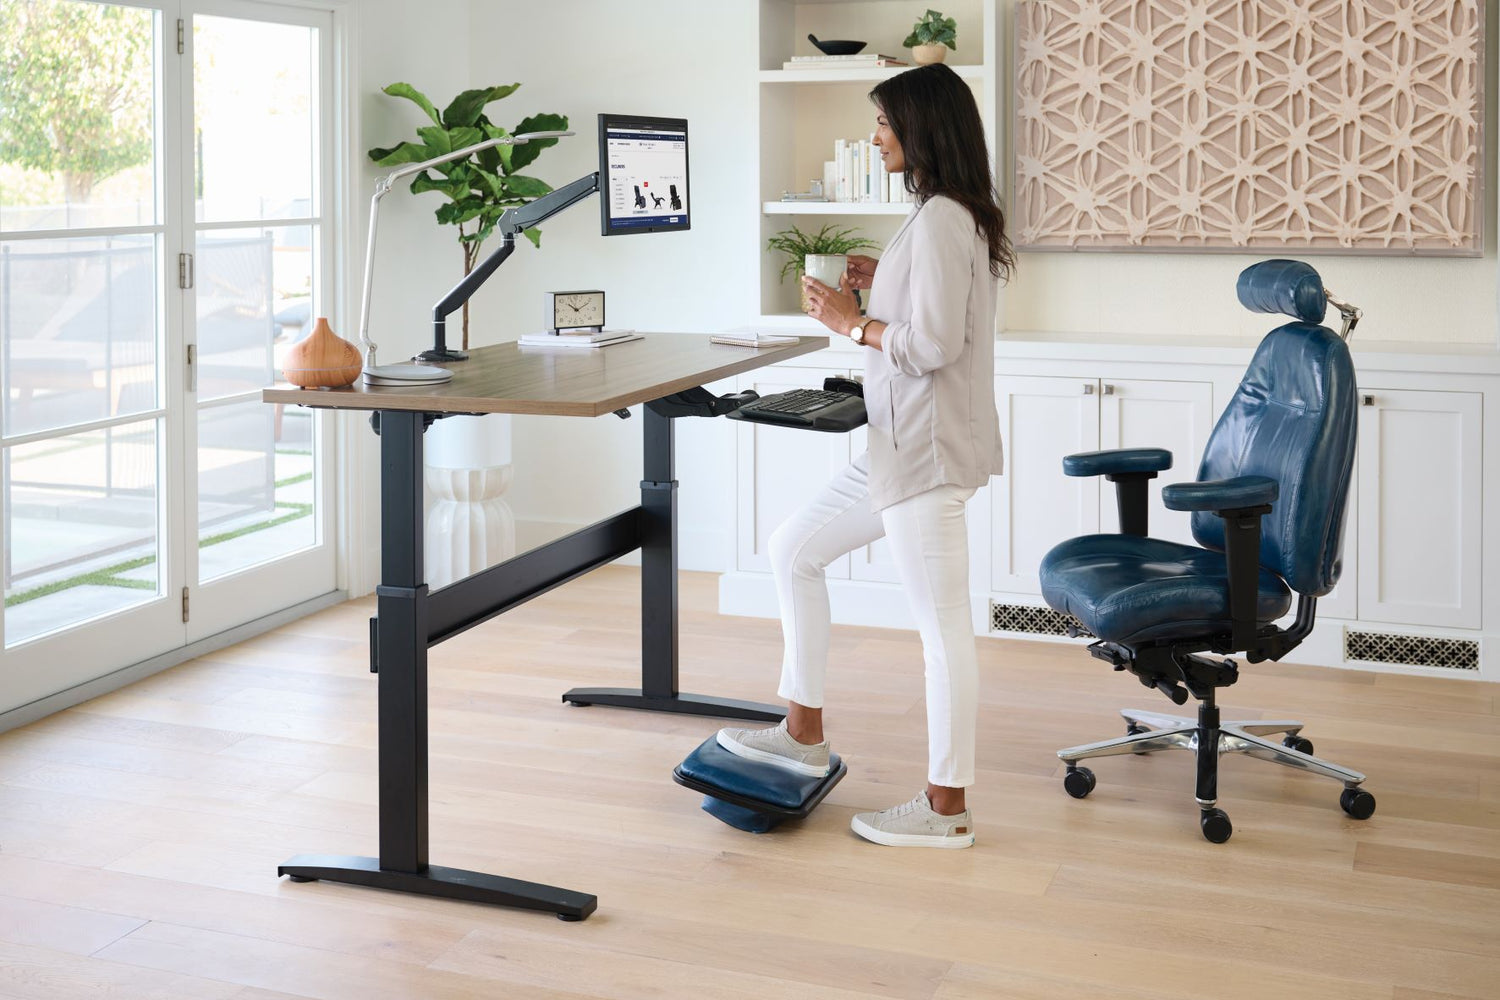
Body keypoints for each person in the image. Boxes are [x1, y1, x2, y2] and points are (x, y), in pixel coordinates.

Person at [717, 63, 1014, 849]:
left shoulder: (947, 217)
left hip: (924, 451)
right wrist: (880, 289)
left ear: (919, 130)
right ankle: (802, 729)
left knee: (941, 630)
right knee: (794, 549)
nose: (874, 137)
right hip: (895, 441)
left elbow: (934, 344)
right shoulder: (944, 216)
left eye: (882, 123)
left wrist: (852, 322)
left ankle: (947, 809)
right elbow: (930, 314)